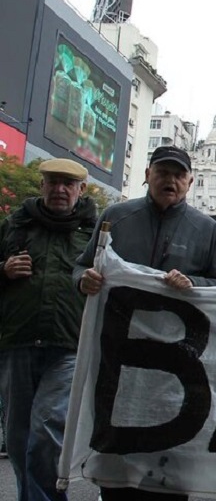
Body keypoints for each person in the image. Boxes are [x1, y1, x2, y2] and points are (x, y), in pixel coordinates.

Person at [76, 146, 216, 501]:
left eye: (179, 175)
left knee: (171, 460)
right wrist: (83, 280)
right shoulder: (115, 216)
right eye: (163, 172)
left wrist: (195, 284)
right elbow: (81, 266)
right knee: (117, 454)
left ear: (190, 182)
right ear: (147, 175)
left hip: (175, 366)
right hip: (118, 360)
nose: (171, 180)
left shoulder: (207, 229)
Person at [0, 158, 97, 501]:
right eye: (53, 182)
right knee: (17, 437)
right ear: (41, 185)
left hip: (69, 346)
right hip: (18, 343)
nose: (60, 189)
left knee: (46, 430)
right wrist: (4, 269)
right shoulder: (14, 225)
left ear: (80, 190)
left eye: (68, 184)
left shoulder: (96, 232)